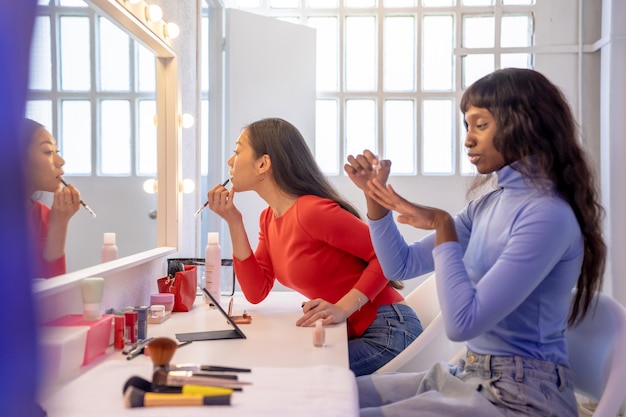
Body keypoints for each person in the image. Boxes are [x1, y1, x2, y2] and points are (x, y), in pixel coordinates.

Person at [345, 68, 606, 416]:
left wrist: (443, 227)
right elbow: (401, 265)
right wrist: (375, 201)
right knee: (329, 395)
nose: (468, 139)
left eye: (480, 125)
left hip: (522, 398)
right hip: (470, 374)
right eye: (467, 126)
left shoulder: (547, 216)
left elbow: (462, 323)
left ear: (524, 125)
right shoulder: (489, 204)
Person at [206, 117, 423, 376]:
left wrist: (343, 307)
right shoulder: (268, 218)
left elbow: (387, 256)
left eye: (237, 151)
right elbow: (256, 291)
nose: (231, 161)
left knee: (297, 377)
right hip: (351, 333)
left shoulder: (311, 212)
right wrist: (234, 221)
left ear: (263, 163)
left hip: (388, 331)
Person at [23, 118, 81, 278]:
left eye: (58, 152)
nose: (61, 162)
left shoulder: (43, 215)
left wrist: (59, 225)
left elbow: (54, 289)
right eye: (48, 152)